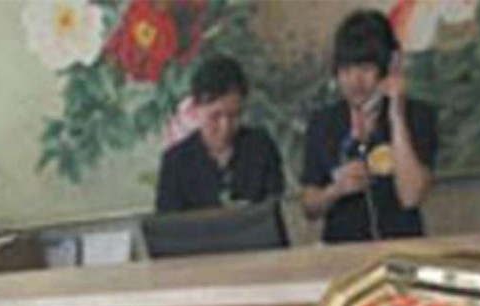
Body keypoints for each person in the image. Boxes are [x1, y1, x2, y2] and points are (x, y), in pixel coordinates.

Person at [300, 10, 437, 244]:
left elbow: (411, 196)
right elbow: (308, 206)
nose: (355, 81)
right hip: (341, 251)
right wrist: (335, 190)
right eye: (346, 71)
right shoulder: (323, 123)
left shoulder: (418, 116)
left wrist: (396, 116)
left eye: (365, 69)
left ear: (387, 67)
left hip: (401, 247)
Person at [156, 55, 285, 213]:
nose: (225, 127)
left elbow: (273, 208)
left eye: (234, 116)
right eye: (215, 116)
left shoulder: (261, 147)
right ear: (196, 109)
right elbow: (169, 227)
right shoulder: (176, 162)